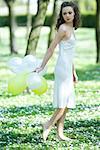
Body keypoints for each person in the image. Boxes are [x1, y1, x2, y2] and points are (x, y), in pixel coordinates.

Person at [34, 1, 80, 141]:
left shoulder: (72, 28)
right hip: (61, 68)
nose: (67, 15)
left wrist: (74, 72)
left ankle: (60, 134)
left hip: (68, 68)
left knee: (67, 104)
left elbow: (70, 53)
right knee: (63, 103)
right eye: (64, 13)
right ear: (61, 14)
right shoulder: (63, 29)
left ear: (74, 14)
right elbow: (51, 48)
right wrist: (42, 66)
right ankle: (48, 124)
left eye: (69, 13)